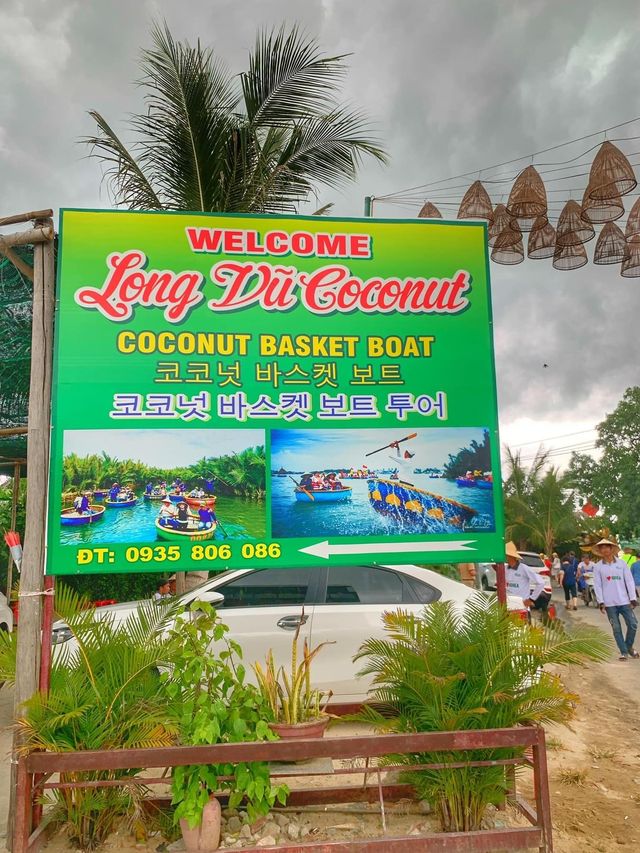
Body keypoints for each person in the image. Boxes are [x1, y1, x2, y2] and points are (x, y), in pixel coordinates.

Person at [592, 537, 639, 661]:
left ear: (612, 549)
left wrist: (632, 598)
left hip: (624, 601)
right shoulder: (598, 567)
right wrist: (601, 602)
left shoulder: (622, 564)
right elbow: (597, 585)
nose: (604, 550)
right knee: (616, 628)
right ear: (600, 551)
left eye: (607, 547)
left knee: (633, 624)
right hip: (609, 604)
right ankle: (623, 652)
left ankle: (628, 646)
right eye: (602, 548)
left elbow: (629, 581)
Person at [505, 542, 546, 613]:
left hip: (522, 607)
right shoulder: (505, 568)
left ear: (510, 556)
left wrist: (531, 599)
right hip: (508, 606)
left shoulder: (524, 568)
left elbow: (541, 582)